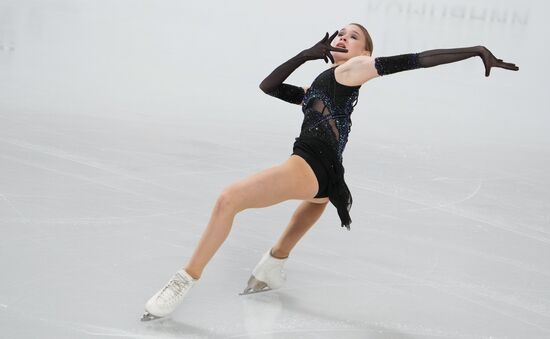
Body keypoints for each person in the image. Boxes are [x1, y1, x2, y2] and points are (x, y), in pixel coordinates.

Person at [141, 23, 519, 321]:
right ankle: (272, 265)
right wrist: (307, 54)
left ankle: (184, 279)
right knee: (317, 202)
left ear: (364, 53)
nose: (342, 37)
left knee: (229, 199)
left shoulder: (354, 70)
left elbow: (416, 59)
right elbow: (269, 86)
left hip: (310, 161)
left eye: (353, 36)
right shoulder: (323, 83)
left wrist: (475, 51)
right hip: (327, 169)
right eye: (339, 32)